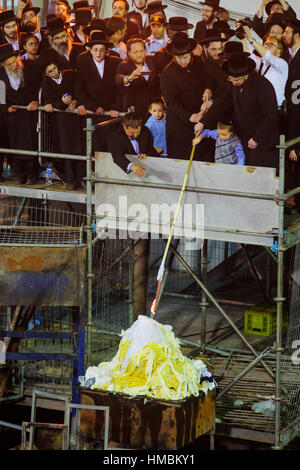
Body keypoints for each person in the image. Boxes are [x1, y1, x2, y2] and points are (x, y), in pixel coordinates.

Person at [195, 52, 279, 170]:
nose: (233, 83)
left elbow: (272, 116)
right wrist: (203, 122)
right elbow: (221, 102)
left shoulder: (262, 86)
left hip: (262, 143)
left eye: (236, 80)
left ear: (245, 75)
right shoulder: (235, 84)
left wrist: (257, 138)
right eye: (231, 79)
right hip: (244, 139)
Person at [160, 32, 214, 162]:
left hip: (202, 120)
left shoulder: (199, 63)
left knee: (203, 159)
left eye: (185, 57)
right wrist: (189, 116)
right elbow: (171, 102)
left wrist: (208, 89)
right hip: (180, 125)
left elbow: (210, 78)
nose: (182, 61)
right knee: (182, 161)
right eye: (178, 58)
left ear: (191, 53)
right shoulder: (167, 73)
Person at [40, 53, 85, 190]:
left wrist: (75, 101)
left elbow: (78, 92)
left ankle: (80, 177)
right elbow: (49, 104)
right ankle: (70, 178)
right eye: (50, 71)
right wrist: (62, 102)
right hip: (60, 122)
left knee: (79, 148)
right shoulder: (46, 85)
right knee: (66, 150)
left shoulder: (70, 76)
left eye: (54, 69)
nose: (54, 73)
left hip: (75, 119)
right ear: (46, 74)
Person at [0, 42, 40, 184]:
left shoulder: (29, 68)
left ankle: (32, 173)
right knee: (15, 144)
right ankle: (19, 173)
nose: (13, 66)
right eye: (9, 64)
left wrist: (35, 101)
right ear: (4, 65)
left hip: (30, 114)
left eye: (14, 62)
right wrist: (6, 108)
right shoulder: (1, 76)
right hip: (13, 117)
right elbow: (1, 98)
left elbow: (38, 87)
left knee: (32, 143)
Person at [76, 31, 121, 151]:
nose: (99, 53)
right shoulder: (83, 65)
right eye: (95, 50)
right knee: (94, 145)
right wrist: (94, 107)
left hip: (112, 113)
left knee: (111, 145)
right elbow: (79, 90)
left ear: (107, 51)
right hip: (92, 113)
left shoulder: (115, 63)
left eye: (102, 50)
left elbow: (120, 88)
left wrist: (116, 107)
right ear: (90, 50)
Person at [242, 26, 288, 108]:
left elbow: (268, 56)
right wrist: (242, 37)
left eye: (270, 44)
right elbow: (248, 55)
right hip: (260, 107)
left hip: (275, 109)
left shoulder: (282, 64)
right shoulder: (261, 63)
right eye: (265, 44)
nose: (266, 46)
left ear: (279, 50)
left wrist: (251, 40)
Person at [115, 36, 159, 119]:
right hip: (133, 113)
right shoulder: (123, 65)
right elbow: (118, 79)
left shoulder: (151, 62)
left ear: (145, 50)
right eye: (135, 52)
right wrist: (129, 78)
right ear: (128, 53)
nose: (139, 55)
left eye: (141, 51)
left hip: (152, 113)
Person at [283, 19, 300, 209]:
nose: (284, 36)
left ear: (296, 34)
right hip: (291, 119)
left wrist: (295, 140)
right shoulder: (290, 56)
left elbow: (297, 105)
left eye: (287, 32)